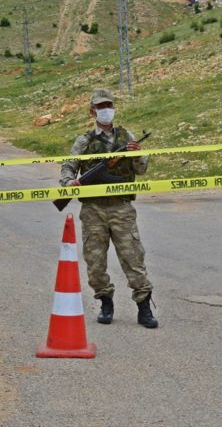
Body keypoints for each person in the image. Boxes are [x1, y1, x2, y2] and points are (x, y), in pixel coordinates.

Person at [59, 88, 158, 329]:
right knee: (95, 262)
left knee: (133, 258)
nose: (106, 111)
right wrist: (69, 182)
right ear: (92, 111)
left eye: (108, 106)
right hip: (93, 209)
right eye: (100, 107)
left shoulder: (127, 136)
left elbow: (141, 169)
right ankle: (105, 302)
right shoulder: (84, 140)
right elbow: (69, 166)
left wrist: (137, 155)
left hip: (121, 208)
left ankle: (144, 308)